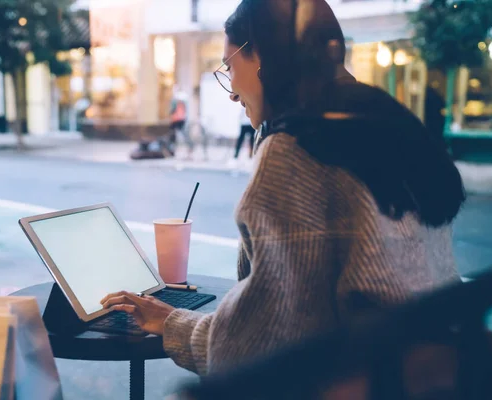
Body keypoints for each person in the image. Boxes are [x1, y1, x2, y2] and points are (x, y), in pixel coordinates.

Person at [100, 0, 466, 376]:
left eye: (228, 66)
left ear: (261, 55)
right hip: (435, 368)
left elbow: (261, 345)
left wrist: (171, 323)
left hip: (365, 379)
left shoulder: (295, 148)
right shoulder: (387, 122)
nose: (230, 91)